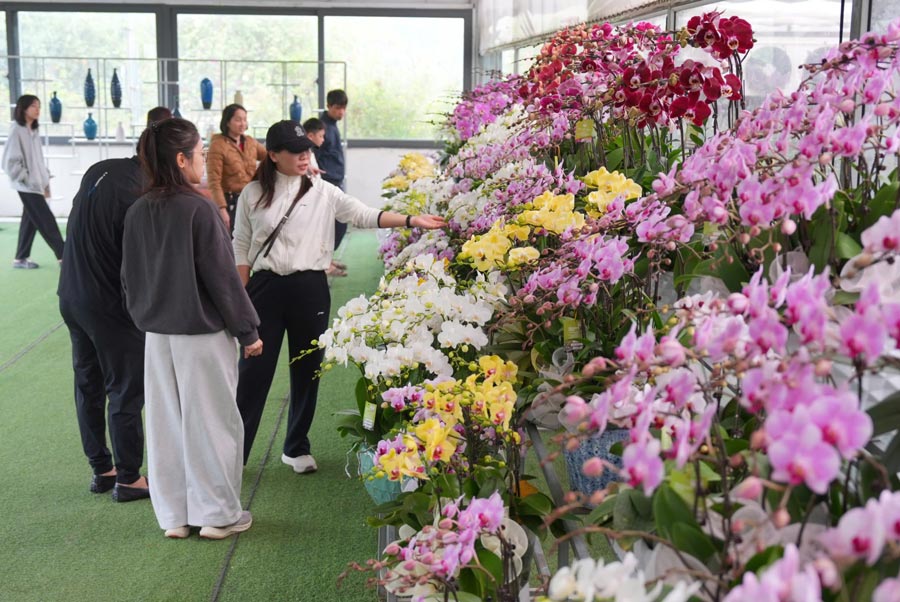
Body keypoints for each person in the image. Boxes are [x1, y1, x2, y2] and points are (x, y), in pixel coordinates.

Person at [233, 120, 445, 471]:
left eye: (306, 150)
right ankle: (234, 456)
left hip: (310, 288)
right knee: (253, 373)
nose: (304, 156)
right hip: (264, 288)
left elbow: (363, 214)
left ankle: (296, 447)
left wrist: (411, 220)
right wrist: (240, 299)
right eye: (295, 151)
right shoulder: (252, 194)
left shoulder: (324, 191)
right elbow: (240, 244)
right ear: (273, 155)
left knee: (307, 370)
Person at [121, 118, 263, 539]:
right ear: (182, 159)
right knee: (213, 424)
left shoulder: (137, 210)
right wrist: (248, 331)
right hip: (201, 337)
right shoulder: (198, 208)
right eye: (200, 153)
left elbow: (128, 278)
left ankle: (175, 517)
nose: (203, 160)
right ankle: (217, 515)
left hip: (156, 337)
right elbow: (223, 278)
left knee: (165, 427)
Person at [58, 141, 148, 502]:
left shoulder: (100, 169)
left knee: (88, 384)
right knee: (124, 389)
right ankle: (129, 478)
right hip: (107, 305)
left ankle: (102, 470)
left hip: (72, 296)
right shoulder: (139, 190)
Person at [2, 94, 64, 269]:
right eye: (33, 106)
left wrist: (44, 179)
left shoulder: (33, 130)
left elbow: (37, 160)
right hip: (26, 185)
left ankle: (20, 258)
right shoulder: (16, 130)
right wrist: (26, 178)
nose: (38, 110)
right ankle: (64, 255)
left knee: (30, 219)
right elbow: (9, 162)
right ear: (23, 109)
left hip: (36, 183)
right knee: (46, 220)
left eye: (39, 106)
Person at [206, 104, 266, 232]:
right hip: (231, 202)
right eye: (238, 120)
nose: (243, 123)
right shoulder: (218, 145)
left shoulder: (250, 142)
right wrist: (221, 208)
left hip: (252, 199)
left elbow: (271, 157)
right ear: (227, 122)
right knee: (233, 239)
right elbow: (213, 181)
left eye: (245, 119)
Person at [313, 89, 350, 277]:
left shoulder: (332, 125)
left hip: (335, 180)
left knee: (335, 223)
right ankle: (323, 262)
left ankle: (327, 259)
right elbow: (315, 156)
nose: (341, 112)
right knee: (332, 223)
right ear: (328, 106)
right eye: (337, 108)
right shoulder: (322, 127)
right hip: (327, 182)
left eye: (343, 108)